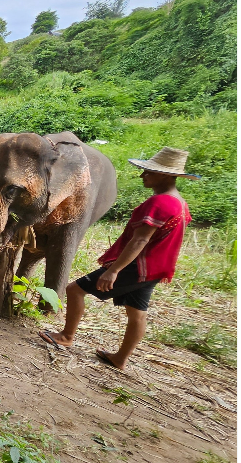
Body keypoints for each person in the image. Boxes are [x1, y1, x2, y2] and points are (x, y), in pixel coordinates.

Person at [40, 147, 196, 370]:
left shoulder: (160, 203)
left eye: (149, 172)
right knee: (137, 313)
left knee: (75, 290)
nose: (143, 176)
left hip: (136, 266)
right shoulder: (180, 203)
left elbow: (140, 241)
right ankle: (120, 358)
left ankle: (66, 336)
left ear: (165, 175)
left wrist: (114, 270)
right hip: (155, 269)